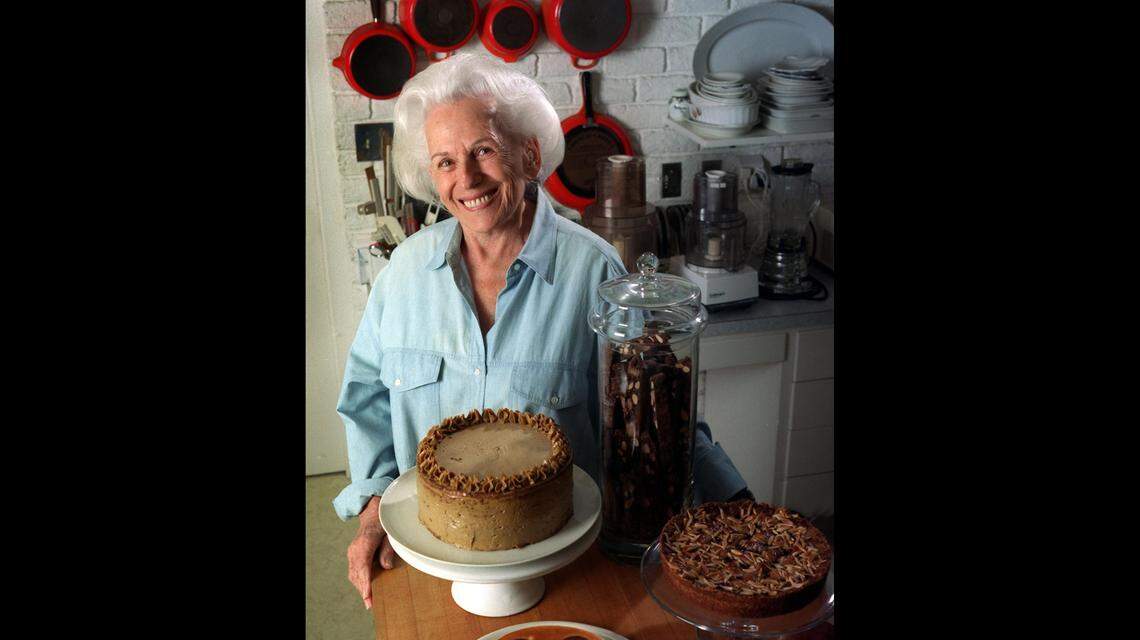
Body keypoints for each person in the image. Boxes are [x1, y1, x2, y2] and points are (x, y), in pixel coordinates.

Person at [332, 53, 749, 612]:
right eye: (445, 161)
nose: (467, 179)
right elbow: (366, 403)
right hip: (429, 563)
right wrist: (370, 510)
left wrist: (737, 506)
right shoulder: (403, 275)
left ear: (529, 153)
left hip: (570, 570)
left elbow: (661, 418)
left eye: (483, 150)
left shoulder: (597, 275)